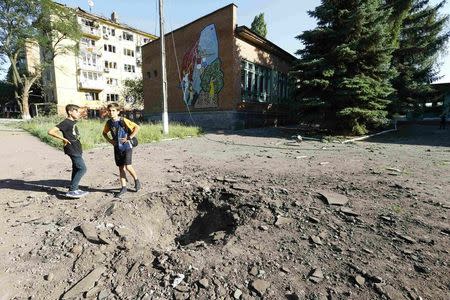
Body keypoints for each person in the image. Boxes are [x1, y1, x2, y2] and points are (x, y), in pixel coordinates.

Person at [48, 104, 89, 198]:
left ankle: (74, 188)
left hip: (77, 148)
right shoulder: (65, 122)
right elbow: (51, 131)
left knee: (76, 168)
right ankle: (72, 190)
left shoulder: (73, 122)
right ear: (70, 112)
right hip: (72, 149)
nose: (79, 113)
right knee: (82, 168)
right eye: (77, 111)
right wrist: (63, 138)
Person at [102, 103, 141, 197]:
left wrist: (129, 137)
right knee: (121, 168)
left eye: (113, 110)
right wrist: (110, 141)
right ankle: (123, 188)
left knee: (128, 166)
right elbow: (104, 133)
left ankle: (136, 181)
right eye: (109, 111)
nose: (111, 112)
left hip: (127, 147)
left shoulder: (123, 120)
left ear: (118, 111)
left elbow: (137, 127)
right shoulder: (109, 123)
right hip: (117, 148)